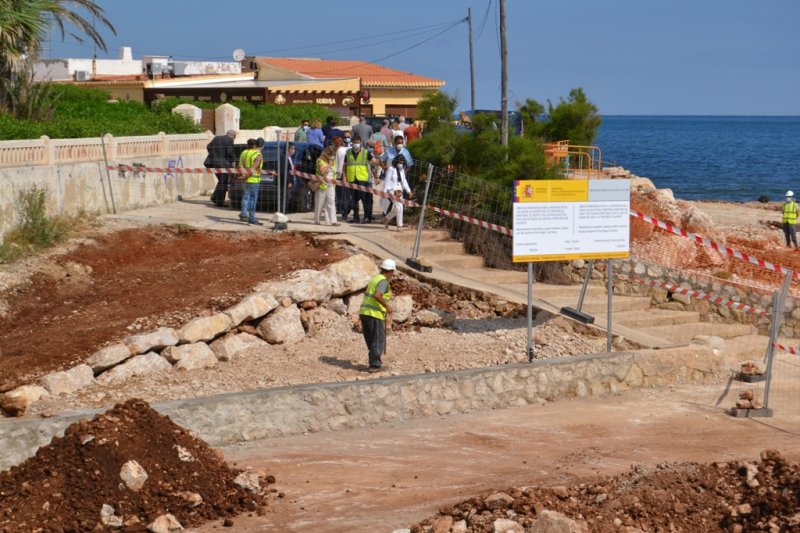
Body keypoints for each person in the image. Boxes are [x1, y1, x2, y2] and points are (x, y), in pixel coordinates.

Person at [359, 258, 396, 372]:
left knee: (371, 339)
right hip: (374, 313)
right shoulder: (383, 281)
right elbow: (377, 295)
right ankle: (374, 365)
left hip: (364, 312)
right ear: (390, 271)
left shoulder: (375, 278)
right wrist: (387, 306)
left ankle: (374, 361)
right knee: (378, 339)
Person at [342, 136, 372, 223]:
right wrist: (344, 177)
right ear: (352, 142)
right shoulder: (348, 152)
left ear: (360, 142)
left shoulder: (365, 152)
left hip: (362, 178)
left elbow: (373, 161)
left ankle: (367, 217)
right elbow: (345, 165)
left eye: (358, 142)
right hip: (352, 178)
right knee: (354, 199)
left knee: (364, 198)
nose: (356, 144)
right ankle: (356, 217)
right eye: (355, 142)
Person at [204, 129, 236, 206]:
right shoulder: (229, 140)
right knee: (223, 182)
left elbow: (208, 147)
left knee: (221, 181)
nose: (234, 139)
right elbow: (230, 153)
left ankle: (215, 198)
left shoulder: (217, 138)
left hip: (212, 163)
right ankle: (218, 201)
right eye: (234, 137)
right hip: (222, 165)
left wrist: (214, 155)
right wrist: (233, 163)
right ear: (233, 136)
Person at [382, 154, 413, 230]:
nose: (401, 164)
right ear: (396, 162)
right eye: (400, 162)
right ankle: (399, 226)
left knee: (397, 208)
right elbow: (387, 181)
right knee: (400, 207)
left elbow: (404, 181)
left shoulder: (401, 170)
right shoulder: (391, 169)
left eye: (402, 163)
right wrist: (384, 192)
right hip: (391, 189)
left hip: (399, 190)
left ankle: (386, 219)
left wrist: (409, 191)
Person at [238, 138, 264, 226]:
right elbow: (253, 169)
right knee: (253, 199)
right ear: (262, 146)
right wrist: (245, 176)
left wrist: (243, 176)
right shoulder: (258, 154)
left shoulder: (245, 152)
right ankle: (252, 218)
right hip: (253, 179)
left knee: (245, 197)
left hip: (245, 179)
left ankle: (244, 214)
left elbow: (241, 166)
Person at [313, 145, 340, 226]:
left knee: (331, 202)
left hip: (331, 185)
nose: (332, 157)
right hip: (322, 184)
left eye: (333, 155)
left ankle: (332, 221)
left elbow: (335, 172)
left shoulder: (334, 161)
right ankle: (317, 220)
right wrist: (329, 164)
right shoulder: (320, 160)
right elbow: (322, 171)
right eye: (331, 155)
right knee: (319, 203)